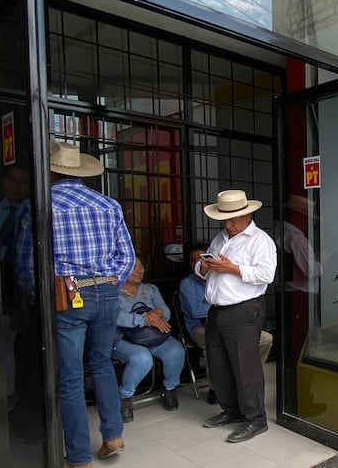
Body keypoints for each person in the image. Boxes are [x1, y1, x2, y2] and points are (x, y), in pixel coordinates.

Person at [16, 140, 135, 468]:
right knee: (101, 364)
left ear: (51, 170)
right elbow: (125, 257)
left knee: (69, 376)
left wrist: (35, 294)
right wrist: (109, 284)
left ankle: (80, 457)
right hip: (107, 292)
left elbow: (27, 264)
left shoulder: (38, 205)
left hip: (65, 295)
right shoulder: (108, 204)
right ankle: (112, 436)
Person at [196, 190, 277, 443]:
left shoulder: (260, 240)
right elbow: (202, 272)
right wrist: (204, 265)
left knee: (245, 367)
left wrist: (232, 268)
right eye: (224, 219)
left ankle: (255, 419)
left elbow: (266, 275)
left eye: (231, 219)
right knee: (218, 364)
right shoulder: (221, 238)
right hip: (217, 308)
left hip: (244, 309)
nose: (227, 224)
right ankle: (231, 410)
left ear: (247, 215)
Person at [180, 243, 272, 404]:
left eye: (200, 259)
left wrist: (215, 302)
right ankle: (216, 388)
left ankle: (245, 377)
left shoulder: (221, 277)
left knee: (266, 339)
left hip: (230, 323)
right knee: (215, 342)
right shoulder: (187, 284)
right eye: (192, 260)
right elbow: (195, 311)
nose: (197, 263)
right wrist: (219, 302)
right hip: (199, 327)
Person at [113, 256, 185, 422]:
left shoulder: (150, 289)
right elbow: (117, 318)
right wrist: (147, 318)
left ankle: (170, 388)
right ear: (121, 270)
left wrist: (158, 313)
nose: (140, 270)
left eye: (141, 266)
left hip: (149, 336)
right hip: (122, 338)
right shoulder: (112, 291)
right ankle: (125, 397)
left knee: (176, 351)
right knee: (142, 358)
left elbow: (166, 312)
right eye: (134, 267)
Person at [0, 165, 31, 409]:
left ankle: (12, 395)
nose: (16, 186)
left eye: (23, 182)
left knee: (13, 339)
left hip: (16, 285)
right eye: (12, 180)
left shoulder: (29, 212)